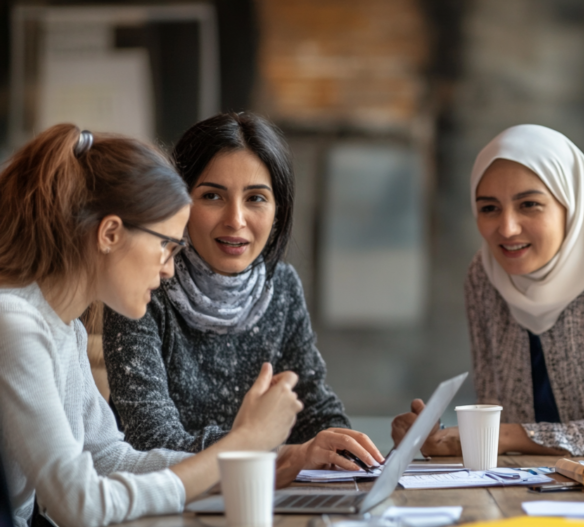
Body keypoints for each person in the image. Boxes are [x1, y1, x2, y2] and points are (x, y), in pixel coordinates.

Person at [0, 124, 302, 527]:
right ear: (110, 234)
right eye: (166, 245)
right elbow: (78, 503)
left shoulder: (63, 329)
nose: (169, 268)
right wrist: (242, 445)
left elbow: (108, 457)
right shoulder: (13, 324)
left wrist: (253, 460)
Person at [103, 112, 383, 484]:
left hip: (256, 496)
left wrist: (339, 447)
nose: (236, 220)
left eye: (255, 198)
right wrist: (279, 453)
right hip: (161, 507)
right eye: (212, 196)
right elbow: (152, 442)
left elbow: (311, 402)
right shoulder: (143, 286)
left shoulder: (279, 285)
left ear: (278, 212)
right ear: (179, 204)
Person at [392, 124, 584, 456]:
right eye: (489, 208)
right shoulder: (484, 276)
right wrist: (440, 442)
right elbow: (493, 409)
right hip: (525, 487)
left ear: (569, 203)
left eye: (529, 204)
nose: (507, 228)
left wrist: (507, 437)